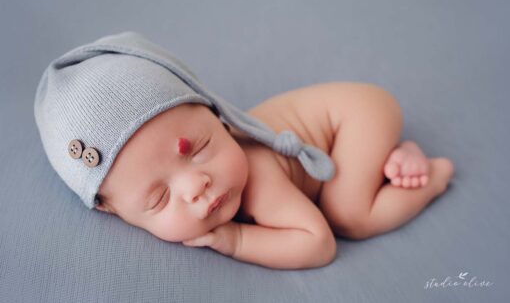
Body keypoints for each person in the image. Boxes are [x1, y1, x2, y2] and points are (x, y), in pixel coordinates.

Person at [34, 32, 454, 270]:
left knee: (348, 215)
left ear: (217, 117)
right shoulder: (134, 191)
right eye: (159, 198)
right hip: (346, 127)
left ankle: (432, 174)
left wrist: (236, 239)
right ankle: (387, 159)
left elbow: (318, 243)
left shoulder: (258, 180)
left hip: (358, 116)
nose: (198, 186)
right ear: (114, 211)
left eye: (199, 149)